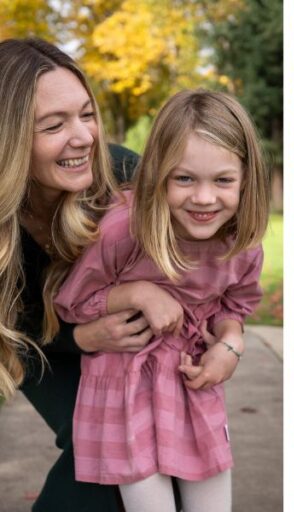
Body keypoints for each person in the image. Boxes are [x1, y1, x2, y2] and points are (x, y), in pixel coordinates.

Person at [53, 89, 269, 511]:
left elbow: (235, 307)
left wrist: (230, 344)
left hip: (193, 388)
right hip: (124, 390)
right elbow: (73, 304)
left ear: (246, 179)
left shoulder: (242, 246)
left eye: (223, 180)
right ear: (157, 175)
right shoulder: (123, 231)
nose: (204, 198)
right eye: (184, 178)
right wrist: (136, 292)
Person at [1, 37, 156, 511]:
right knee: (97, 444)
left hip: (129, 345)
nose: (84, 137)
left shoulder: (125, 178)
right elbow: (13, 326)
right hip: (31, 345)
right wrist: (81, 336)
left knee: (145, 449)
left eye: (86, 114)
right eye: (54, 124)